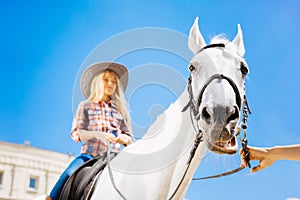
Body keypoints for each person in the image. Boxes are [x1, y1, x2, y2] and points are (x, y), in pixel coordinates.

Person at [46, 62, 133, 200]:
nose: (110, 84)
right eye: (106, 80)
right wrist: (97, 134)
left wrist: (124, 138)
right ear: (98, 82)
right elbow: (76, 133)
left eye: (114, 82)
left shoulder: (119, 110)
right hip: (90, 157)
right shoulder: (86, 106)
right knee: (70, 173)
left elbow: (129, 139)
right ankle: (51, 198)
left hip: (114, 159)